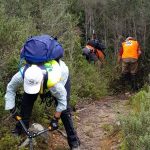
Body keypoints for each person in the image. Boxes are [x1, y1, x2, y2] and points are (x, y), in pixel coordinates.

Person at [4, 59, 80, 150]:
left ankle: (74, 142)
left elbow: (62, 101)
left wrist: (55, 119)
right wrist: (11, 108)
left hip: (61, 75)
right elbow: (10, 88)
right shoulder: (22, 75)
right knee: (26, 102)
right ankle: (20, 129)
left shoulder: (55, 83)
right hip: (38, 80)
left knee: (64, 111)